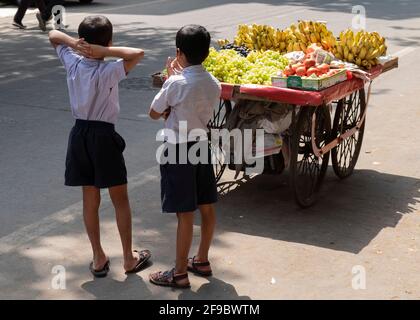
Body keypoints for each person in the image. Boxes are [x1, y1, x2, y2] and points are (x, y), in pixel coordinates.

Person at [48, 15, 151, 277]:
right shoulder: (108, 70)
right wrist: (104, 51)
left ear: (83, 41)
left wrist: (75, 44)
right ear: (108, 42)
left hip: (80, 135)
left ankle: (98, 257)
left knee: (89, 199)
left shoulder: (72, 63)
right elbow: (137, 53)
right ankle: (128, 258)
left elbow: (53, 35)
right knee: (120, 199)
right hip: (104, 137)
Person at [148, 25, 221, 288]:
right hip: (201, 146)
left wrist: (170, 79)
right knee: (206, 205)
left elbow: (154, 112)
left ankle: (179, 273)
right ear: (207, 54)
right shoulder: (213, 83)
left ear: (178, 52)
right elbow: (193, 101)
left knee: (184, 213)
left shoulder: (174, 82)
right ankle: (201, 259)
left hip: (177, 150)